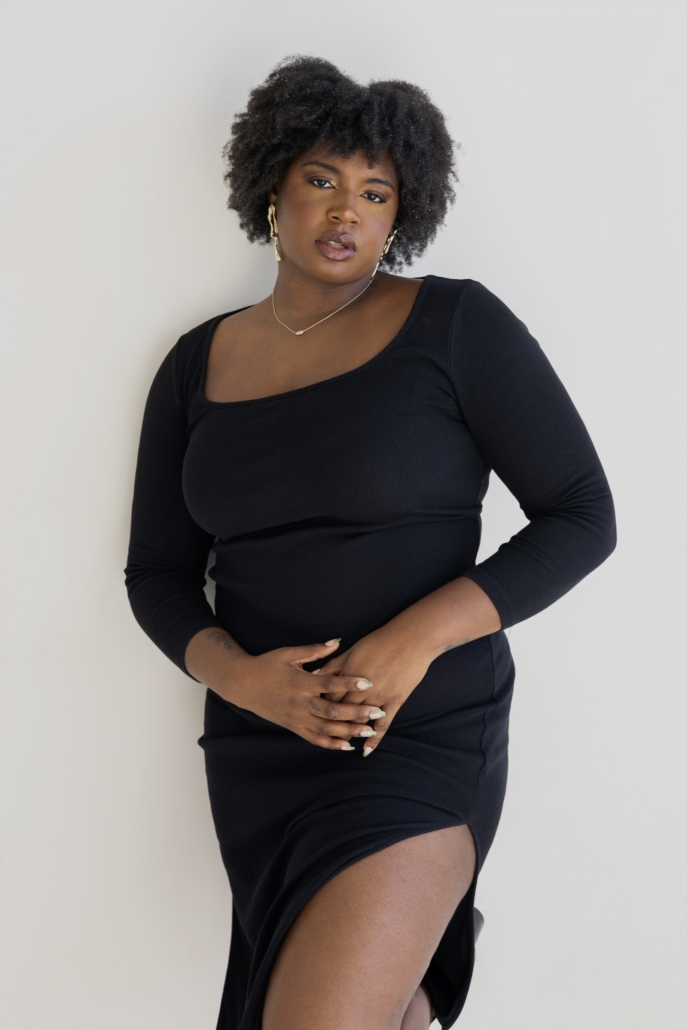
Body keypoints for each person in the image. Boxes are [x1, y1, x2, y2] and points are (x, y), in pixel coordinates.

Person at [124, 56, 616, 1030]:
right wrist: (245, 681)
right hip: (260, 748)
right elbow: (157, 573)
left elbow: (580, 512)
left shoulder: (455, 326)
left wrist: (411, 641)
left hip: (415, 731)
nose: (346, 209)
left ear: (402, 214)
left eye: (376, 191)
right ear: (272, 189)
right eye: (322, 179)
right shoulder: (196, 364)